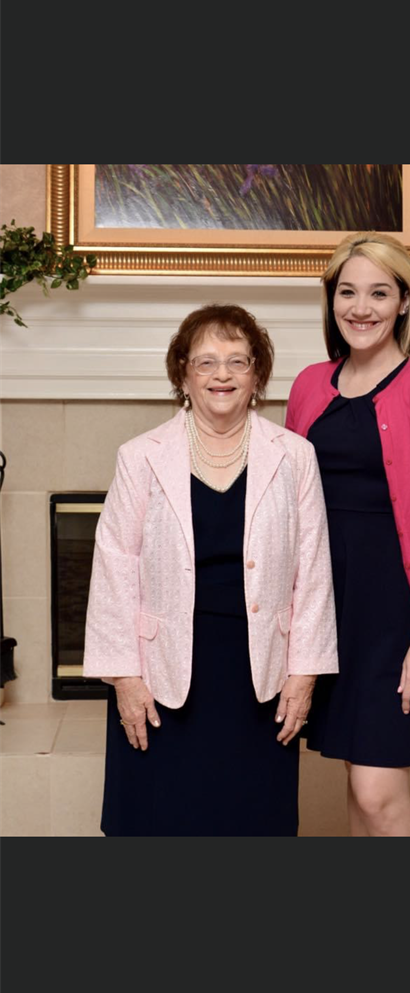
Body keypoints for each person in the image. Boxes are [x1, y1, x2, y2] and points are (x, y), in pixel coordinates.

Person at [83, 303, 338, 836]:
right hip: (161, 674)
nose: (222, 374)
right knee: (158, 821)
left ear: (257, 375)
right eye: (205, 362)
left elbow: (312, 571)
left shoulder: (295, 456)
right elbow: (113, 570)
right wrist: (125, 679)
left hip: (259, 675)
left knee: (252, 821)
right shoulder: (140, 456)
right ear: (183, 374)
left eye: (238, 361)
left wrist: (304, 674)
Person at [286, 233, 410, 838]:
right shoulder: (310, 384)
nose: (360, 307)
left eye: (378, 292)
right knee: (357, 782)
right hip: (327, 608)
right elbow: (285, 504)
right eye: (347, 291)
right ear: (330, 301)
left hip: (395, 613)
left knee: (377, 793)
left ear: (402, 303)